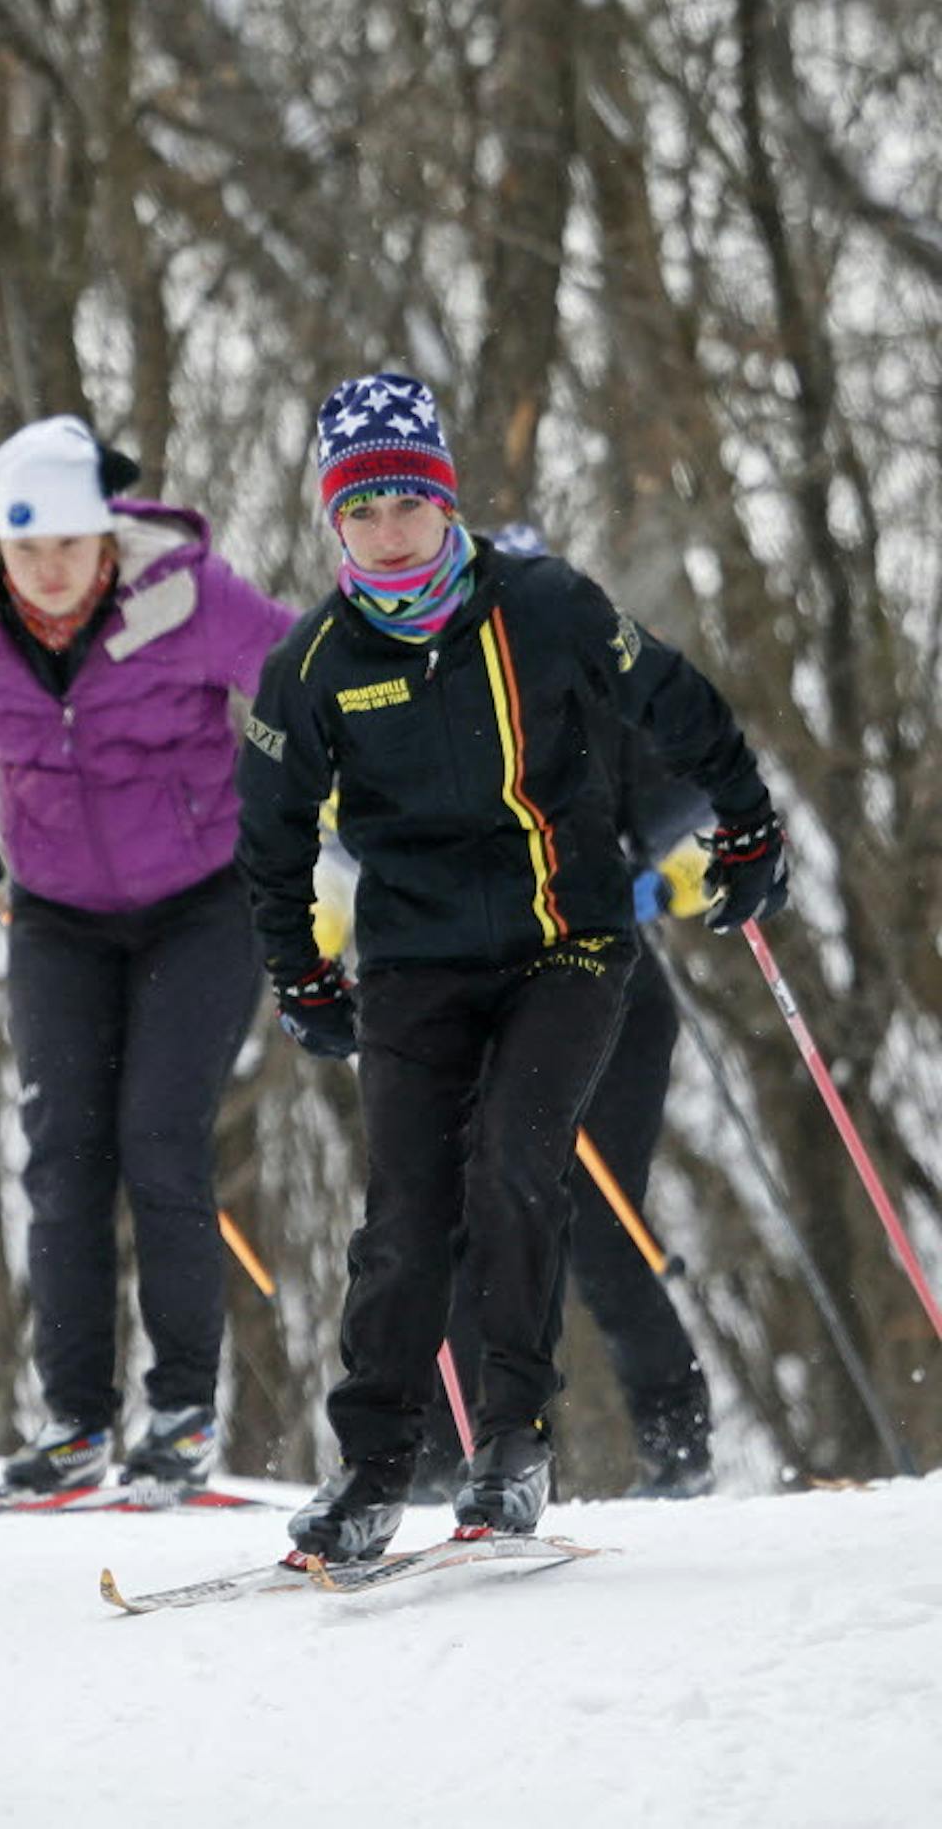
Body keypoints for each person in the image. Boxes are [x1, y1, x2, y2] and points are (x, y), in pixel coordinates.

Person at [237, 372, 788, 1562]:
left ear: (447, 499)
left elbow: (679, 702)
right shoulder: (316, 662)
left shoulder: (541, 604)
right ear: (336, 522)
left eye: (409, 502)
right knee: (405, 1214)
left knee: (516, 1172)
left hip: (570, 942)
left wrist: (750, 825)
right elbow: (270, 839)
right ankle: (374, 1468)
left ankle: (512, 1445)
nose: (390, 531)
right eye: (363, 509)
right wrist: (299, 973)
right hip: (416, 963)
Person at [0, 416, 295, 1496]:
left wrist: (318, 811)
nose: (48, 572)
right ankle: (76, 1420)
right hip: (59, 917)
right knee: (63, 1153)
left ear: (107, 539)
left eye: (69, 549)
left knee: (160, 1141)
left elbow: (307, 676)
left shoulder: (189, 594)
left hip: (203, 905)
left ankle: (180, 1412)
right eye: (26, 549)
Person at [411, 523, 718, 1500]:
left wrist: (650, 876)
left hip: (614, 1001)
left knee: (595, 1220)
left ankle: (679, 1446)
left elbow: (704, 803)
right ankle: (441, 1456)